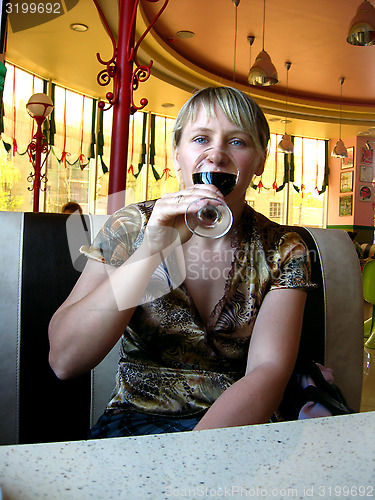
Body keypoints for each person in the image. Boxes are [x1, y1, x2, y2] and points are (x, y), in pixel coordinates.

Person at [48, 87, 315, 438]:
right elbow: (65, 361)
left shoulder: (284, 249)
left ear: (261, 161)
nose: (216, 154)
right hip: (135, 420)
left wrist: (190, 459)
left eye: (237, 142)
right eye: (201, 138)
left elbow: (268, 371)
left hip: (240, 428)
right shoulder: (130, 226)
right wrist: (151, 250)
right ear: (177, 154)